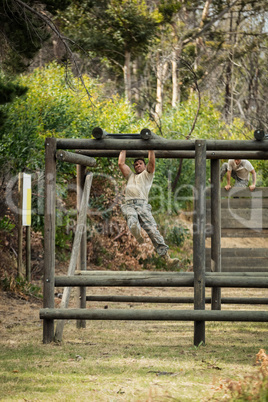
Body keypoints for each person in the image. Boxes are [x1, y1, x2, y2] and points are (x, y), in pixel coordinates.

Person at [118, 150, 180, 267]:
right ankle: (136, 233)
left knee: (153, 230)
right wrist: (124, 148)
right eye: (136, 164)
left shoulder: (147, 175)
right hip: (129, 204)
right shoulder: (130, 176)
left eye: (140, 163)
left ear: (144, 165)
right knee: (132, 220)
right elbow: (121, 164)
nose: (137, 166)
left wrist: (151, 149)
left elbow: (152, 162)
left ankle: (166, 257)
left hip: (142, 205)